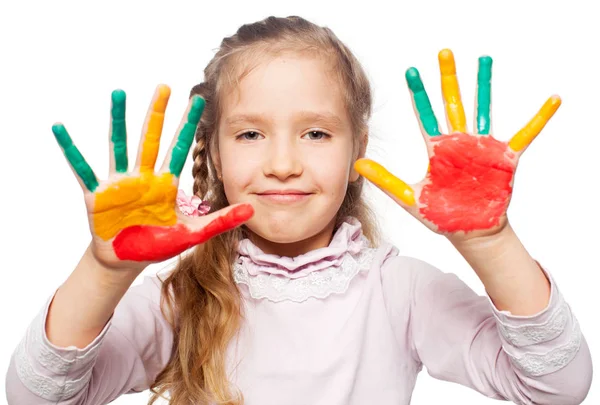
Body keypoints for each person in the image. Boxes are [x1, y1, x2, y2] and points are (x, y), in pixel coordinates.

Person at [5, 15, 593, 405]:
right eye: (250, 134)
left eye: (315, 133)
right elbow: (34, 398)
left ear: (357, 148)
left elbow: (559, 386)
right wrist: (105, 270)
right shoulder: (179, 298)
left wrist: (490, 243)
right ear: (209, 149)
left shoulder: (399, 291)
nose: (283, 163)